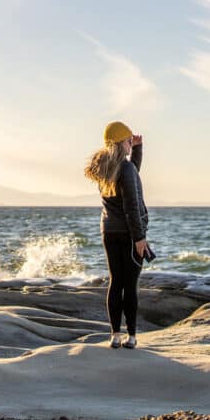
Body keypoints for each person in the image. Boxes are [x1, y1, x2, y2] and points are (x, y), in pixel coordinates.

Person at [84, 121, 149, 349]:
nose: (131, 144)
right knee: (130, 285)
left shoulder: (106, 167)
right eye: (129, 141)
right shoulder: (125, 168)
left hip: (109, 232)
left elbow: (132, 178)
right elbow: (132, 204)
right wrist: (139, 237)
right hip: (129, 234)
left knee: (115, 283)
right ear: (121, 143)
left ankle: (114, 335)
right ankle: (131, 337)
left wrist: (138, 149)